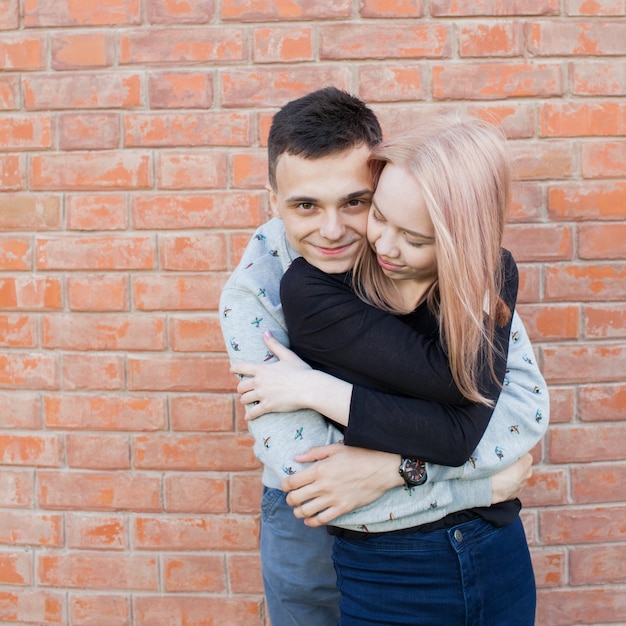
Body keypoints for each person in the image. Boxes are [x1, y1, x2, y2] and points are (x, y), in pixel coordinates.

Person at [220, 89, 547, 625]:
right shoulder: (260, 292)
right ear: (272, 199)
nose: (333, 230)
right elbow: (314, 473)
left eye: (355, 202)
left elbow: (518, 416)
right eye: (306, 205)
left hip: (466, 535)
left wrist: (393, 466)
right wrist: (481, 482)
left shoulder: (455, 267)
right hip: (312, 520)